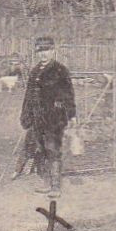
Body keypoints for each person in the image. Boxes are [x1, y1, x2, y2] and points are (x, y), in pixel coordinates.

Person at [15, 36, 76, 197]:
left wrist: (71, 114)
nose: (44, 54)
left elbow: (68, 94)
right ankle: (46, 183)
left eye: (47, 50)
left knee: (52, 149)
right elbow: (28, 95)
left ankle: (56, 186)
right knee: (41, 150)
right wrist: (26, 114)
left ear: (53, 51)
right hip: (37, 118)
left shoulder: (60, 70)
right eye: (40, 51)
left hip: (54, 118)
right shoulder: (34, 71)